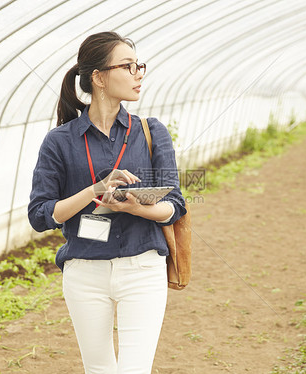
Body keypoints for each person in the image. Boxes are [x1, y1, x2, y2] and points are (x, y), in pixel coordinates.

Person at [28, 31, 187, 374]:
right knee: (99, 369)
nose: (138, 73)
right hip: (85, 270)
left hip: (143, 267)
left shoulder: (150, 131)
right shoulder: (60, 141)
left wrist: (135, 206)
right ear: (98, 77)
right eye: (128, 66)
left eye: (138, 65)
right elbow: (41, 215)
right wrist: (93, 192)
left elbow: (174, 204)